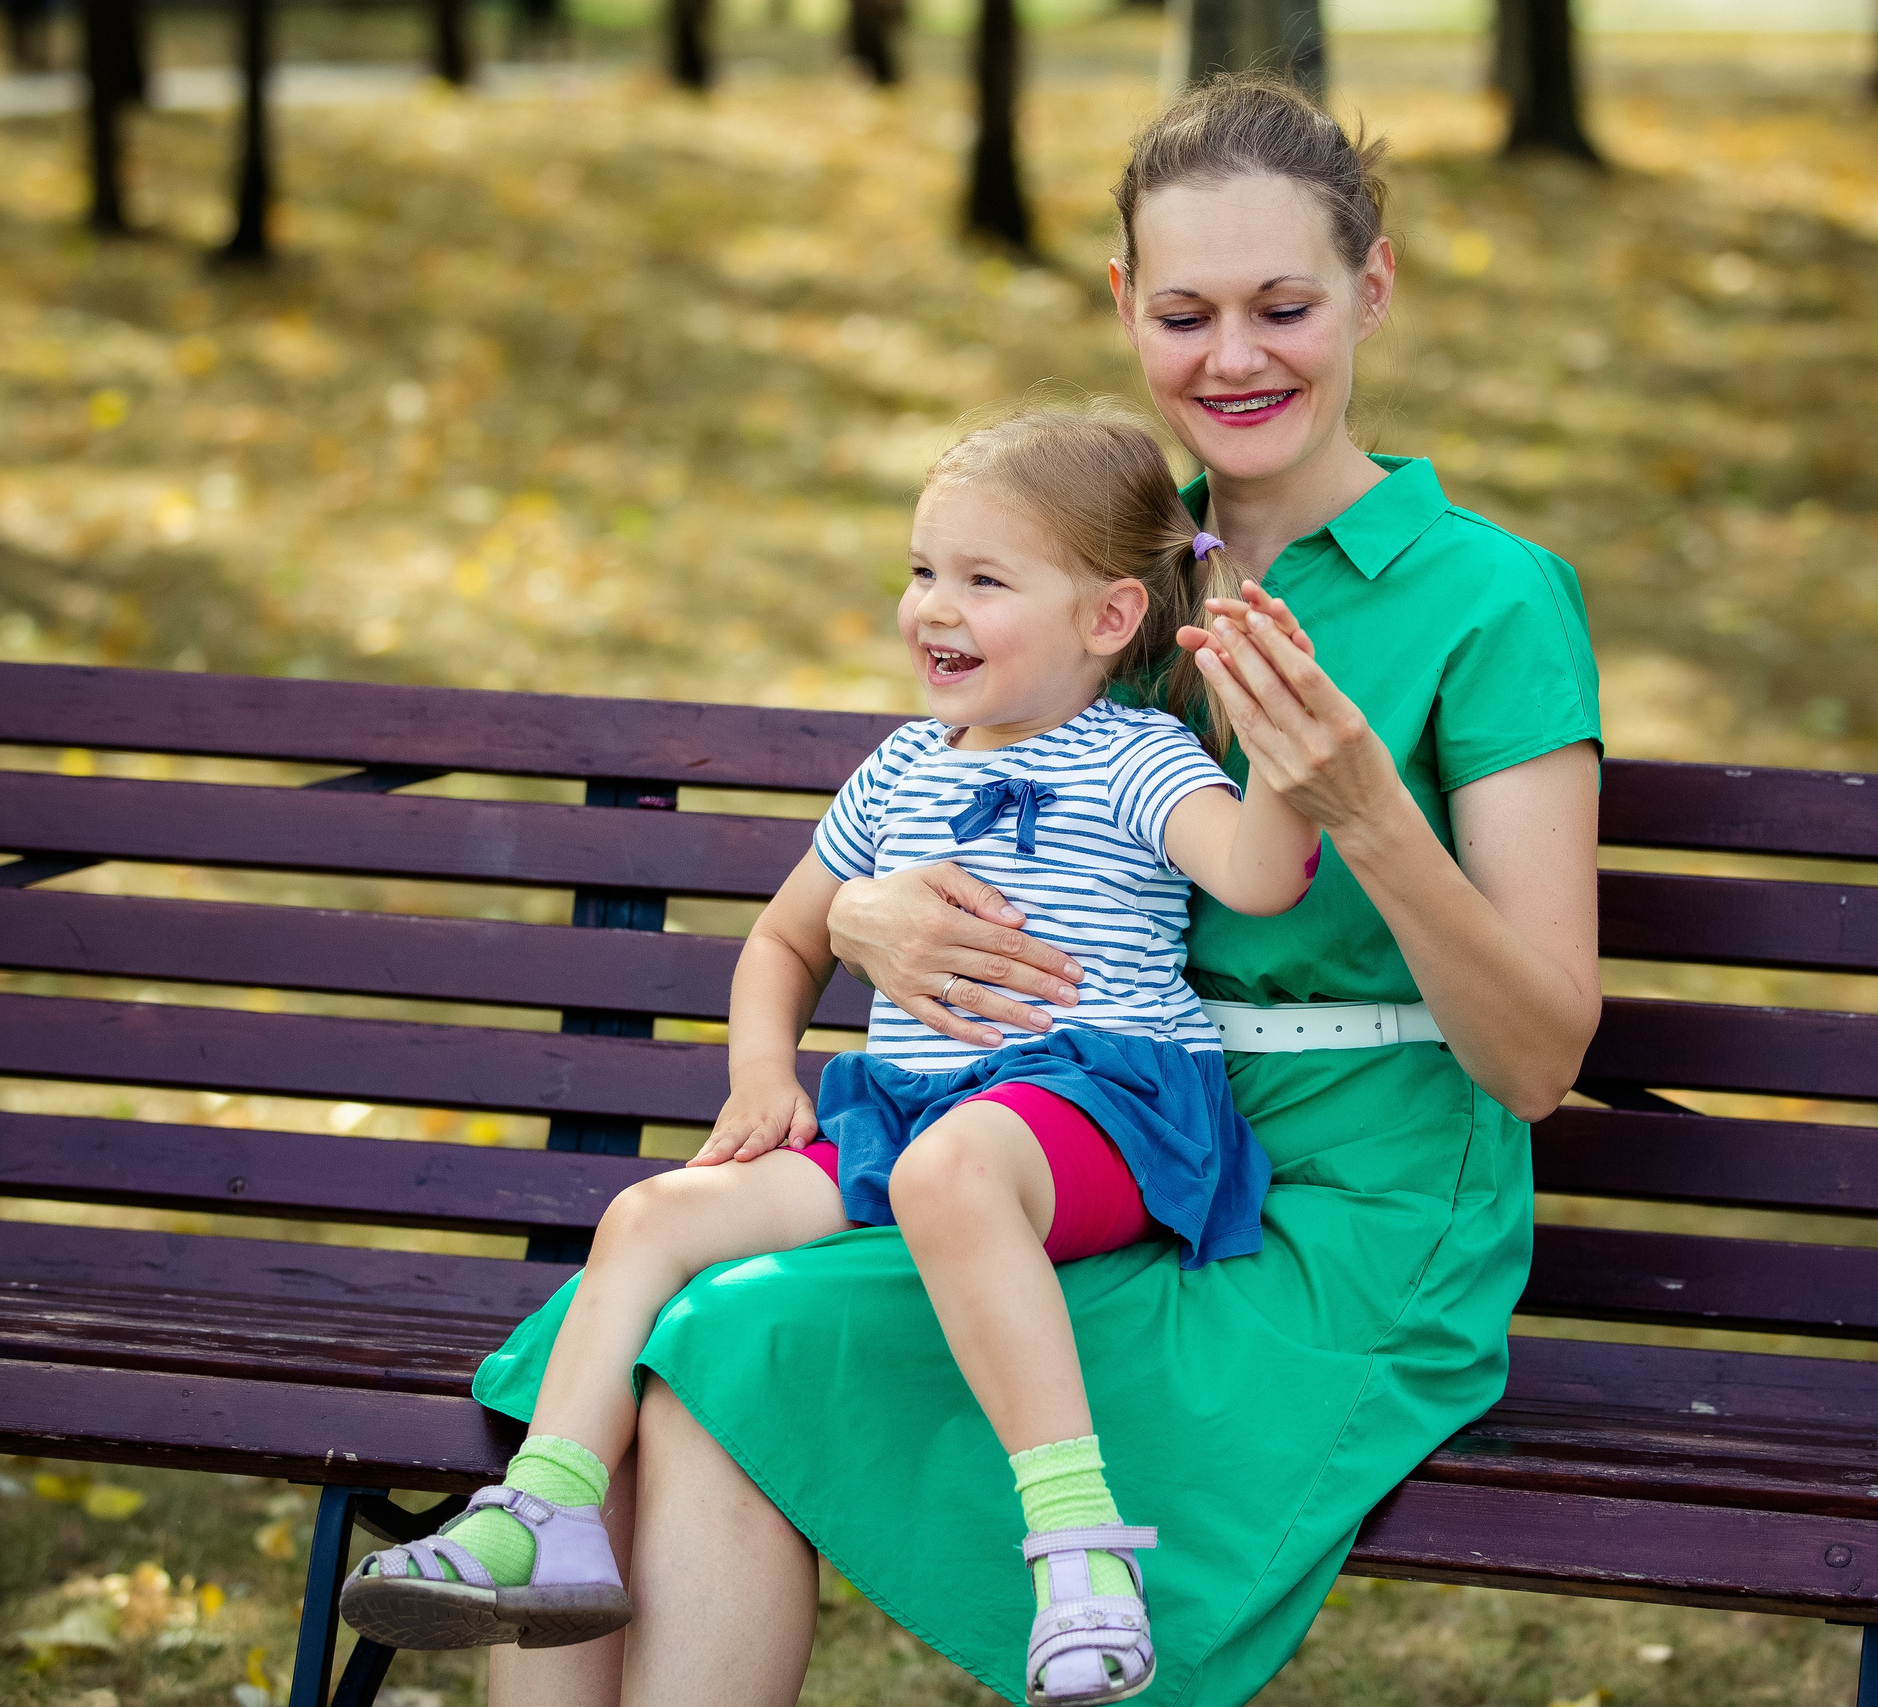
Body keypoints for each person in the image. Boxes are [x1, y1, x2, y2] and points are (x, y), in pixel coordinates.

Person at [467, 72, 1603, 1707]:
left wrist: (1367, 810)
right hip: (1060, 1151)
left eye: (1285, 305)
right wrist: (853, 920)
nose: (1236, 359)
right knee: (698, 1324)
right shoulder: (1100, 569)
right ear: (1125, 306)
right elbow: (942, 810)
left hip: (1347, 1215)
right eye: (1188, 311)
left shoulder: (1489, 597)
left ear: (1373, 288)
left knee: (739, 1344)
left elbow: (1541, 1058)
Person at [343, 405, 1324, 1704]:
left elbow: (1260, 878)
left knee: (955, 1174)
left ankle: (1082, 1550)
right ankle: (547, 1512)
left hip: (1099, 1115)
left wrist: (1286, 748)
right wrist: (764, 1073)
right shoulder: (900, 771)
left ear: (1106, 619)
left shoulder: (1136, 757)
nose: (934, 607)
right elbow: (782, 943)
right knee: (649, 1217)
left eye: (983, 579)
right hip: (911, 1114)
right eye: (923, 570)